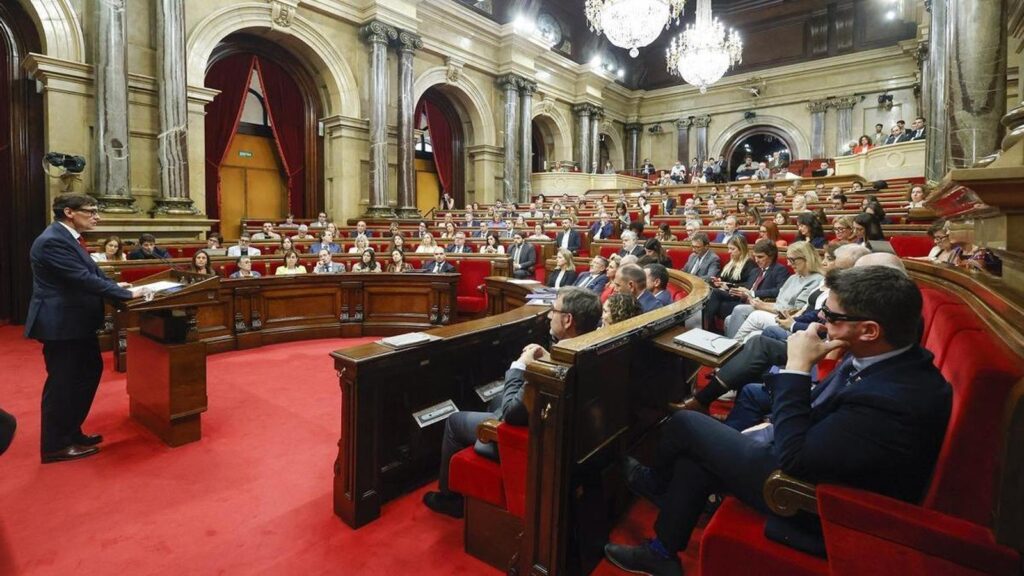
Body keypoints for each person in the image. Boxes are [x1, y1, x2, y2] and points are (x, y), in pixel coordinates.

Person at [606, 266, 952, 575]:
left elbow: (795, 459)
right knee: (700, 451)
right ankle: (661, 553)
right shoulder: (882, 356)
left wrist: (798, 367)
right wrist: (771, 424)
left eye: (831, 316)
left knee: (685, 424)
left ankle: (656, 485)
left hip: (814, 501)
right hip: (811, 459)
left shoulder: (894, 399)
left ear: (870, 330)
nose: (820, 321)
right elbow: (820, 411)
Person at [423, 287, 602, 517]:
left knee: (454, 421)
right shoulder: (589, 351)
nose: (549, 315)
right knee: (497, 398)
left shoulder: (551, 369)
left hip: (531, 446)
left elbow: (511, 413)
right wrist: (547, 356)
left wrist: (520, 365)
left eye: (553, 310)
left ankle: (450, 499)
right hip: (567, 440)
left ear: (568, 320)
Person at [26, 193, 145, 463]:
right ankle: (55, 445)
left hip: (76, 323)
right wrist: (125, 295)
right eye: (91, 211)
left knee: (87, 373)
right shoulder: (52, 240)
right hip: (62, 324)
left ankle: (71, 432)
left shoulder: (70, 237)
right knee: (64, 382)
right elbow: (80, 278)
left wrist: (116, 286)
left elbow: (92, 272)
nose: (97, 217)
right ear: (69, 212)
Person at [725, 241, 823, 340]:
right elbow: (780, 302)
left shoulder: (816, 280)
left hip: (788, 318)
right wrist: (762, 304)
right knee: (729, 319)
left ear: (806, 258)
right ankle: (734, 345)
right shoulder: (793, 277)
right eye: (788, 259)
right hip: (777, 311)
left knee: (746, 312)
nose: (788, 263)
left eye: (792, 260)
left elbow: (796, 310)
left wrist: (763, 306)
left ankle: (732, 346)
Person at [702, 235, 759, 328]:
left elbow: (748, 285)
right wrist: (718, 280)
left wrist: (729, 285)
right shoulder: (731, 262)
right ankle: (707, 326)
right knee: (709, 287)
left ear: (741, 249)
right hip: (724, 293)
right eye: (729, 249)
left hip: (736, 295)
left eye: (732, 249)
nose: (729, 252)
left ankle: (707, 327)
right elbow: (722, 277)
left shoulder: (750, 264)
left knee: (713, 292)